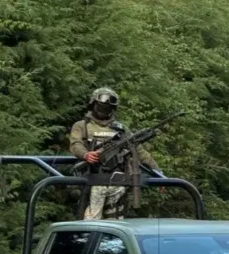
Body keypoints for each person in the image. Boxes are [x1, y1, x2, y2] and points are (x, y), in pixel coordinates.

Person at [68, 87, 161, 220]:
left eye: (108, 107)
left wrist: (158, 173)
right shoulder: (82, 125)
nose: (104, 110)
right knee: (90, 222)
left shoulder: (121, 129)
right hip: (91, 180)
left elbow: (139, 151)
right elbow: (75, 144)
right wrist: (86, 154)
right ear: (93, 104)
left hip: (117, 182)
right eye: (101, 106)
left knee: (115, 223)